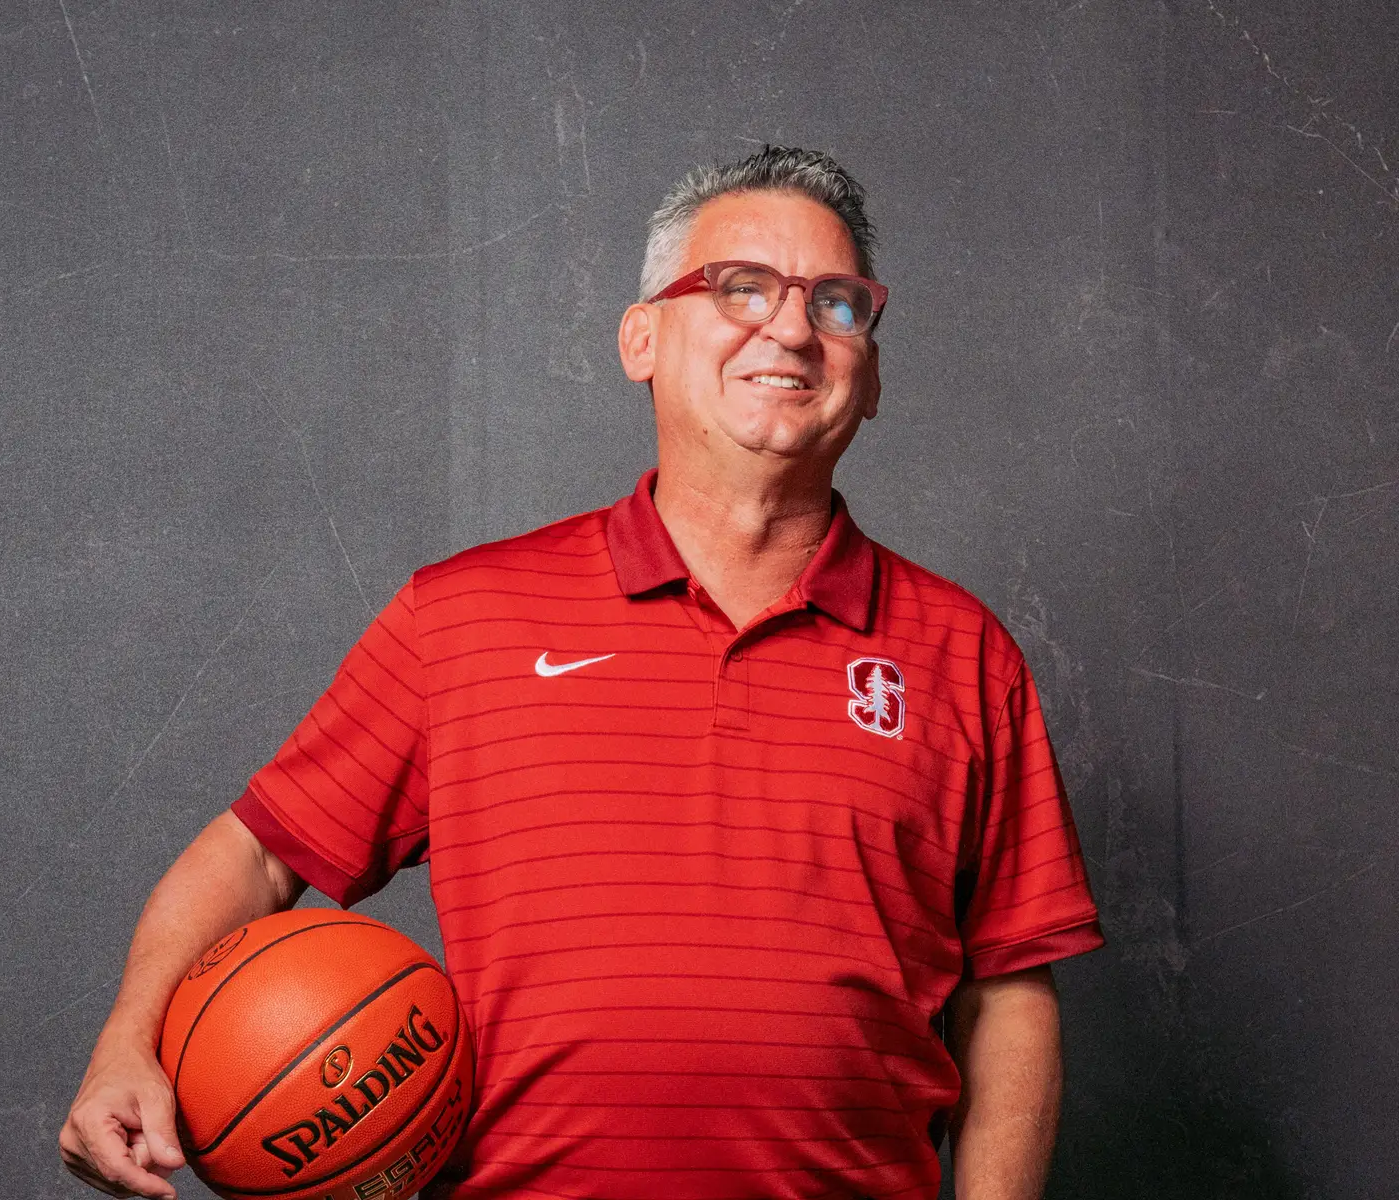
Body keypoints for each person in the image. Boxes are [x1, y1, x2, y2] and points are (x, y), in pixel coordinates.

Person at [60, 145, 1104, 1200]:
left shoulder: (960, 652)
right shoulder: (463, 615)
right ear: (640, 337)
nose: (790, 329)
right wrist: (125, 1045)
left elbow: (1005, 994)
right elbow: (256, 859)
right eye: (741, 288)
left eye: (835, 305)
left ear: (867, 376)